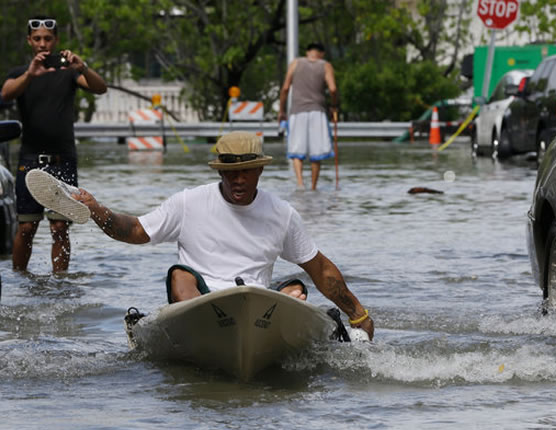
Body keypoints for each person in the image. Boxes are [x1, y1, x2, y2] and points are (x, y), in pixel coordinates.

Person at [27, 131, 374, 339]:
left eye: (246, 172)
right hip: (199, 305)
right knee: (179, 274)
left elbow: (321, 270)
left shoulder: (282, 214)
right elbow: (135, 230)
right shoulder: (189, 202)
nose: (238, 181)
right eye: (230, 173)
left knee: (297, 288)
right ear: (219, 171)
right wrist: (98, 210)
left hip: (254, 306)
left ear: (260, 170)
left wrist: (358, 315)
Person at [1, 15, 107, 273]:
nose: (43, 44)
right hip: (29, 160)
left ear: (56, 40)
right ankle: (21, 281)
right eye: (37, 39)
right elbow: (6, 93)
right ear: (29, 41)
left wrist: (82, 66)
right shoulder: (21, 74)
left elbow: (100, 88)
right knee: (26, 227)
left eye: (48, 39)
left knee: (59, 227)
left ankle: (60, 282)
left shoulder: (69, 73)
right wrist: (30, 73)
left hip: (63, 159)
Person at [277, 43, 338, 190]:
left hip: (297, 111)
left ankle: (300, 184)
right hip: (318, 111)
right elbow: (333, 89)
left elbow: (285, 88)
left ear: (307, 52)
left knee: (297, 150)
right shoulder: (325, 65)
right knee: (316, 153)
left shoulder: (295, 63)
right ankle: (313, 187)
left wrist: (281, 110)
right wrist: (334, 106)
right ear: (321, 53)